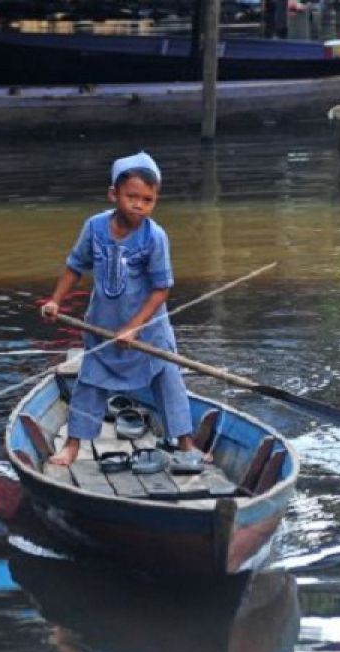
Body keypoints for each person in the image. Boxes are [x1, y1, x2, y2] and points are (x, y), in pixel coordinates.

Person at [40, 151, 205, 468]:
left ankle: (186, 443)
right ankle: (73, 445)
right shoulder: (94, 228)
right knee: (89, 383)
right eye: (132, 197)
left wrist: (135, 326)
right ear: (114, 194)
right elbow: (75, 267)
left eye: (148, 199)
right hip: (102, 325)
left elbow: (161, 289)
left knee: (167, 380)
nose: (139, 205)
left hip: (148, 330)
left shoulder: (155, 237)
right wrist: (55, 301)